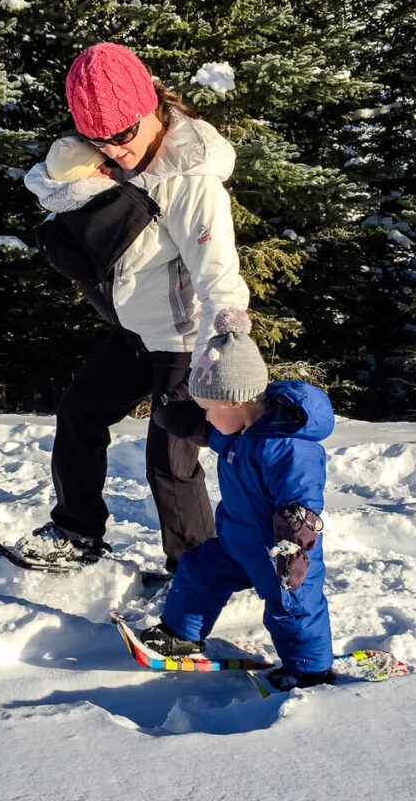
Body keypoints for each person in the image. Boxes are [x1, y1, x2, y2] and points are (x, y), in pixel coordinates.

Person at [18, 42, 250, 572]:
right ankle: (76, 532)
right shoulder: (106, 157)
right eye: (98, 140)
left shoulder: (191, 178)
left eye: (124, 135)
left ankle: (197, 574)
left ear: (151, 108)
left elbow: (218, 273)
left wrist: (228, 343)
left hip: (184, 342)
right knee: (79, 413)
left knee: (170, 463)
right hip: (135, 334)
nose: (116, 150)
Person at [141, 307, 336, 691]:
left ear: (234, 401)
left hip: (279, 553)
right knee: (198, 569)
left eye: (208, 411)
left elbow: (301, 505)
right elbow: (205, 432)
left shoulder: (288, 448)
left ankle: (309, 669)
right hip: (235, 543)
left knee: (293, 607)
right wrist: (174, 416)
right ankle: (181, 633)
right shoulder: (236, 430)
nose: (207, 420)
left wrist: (293, 550)